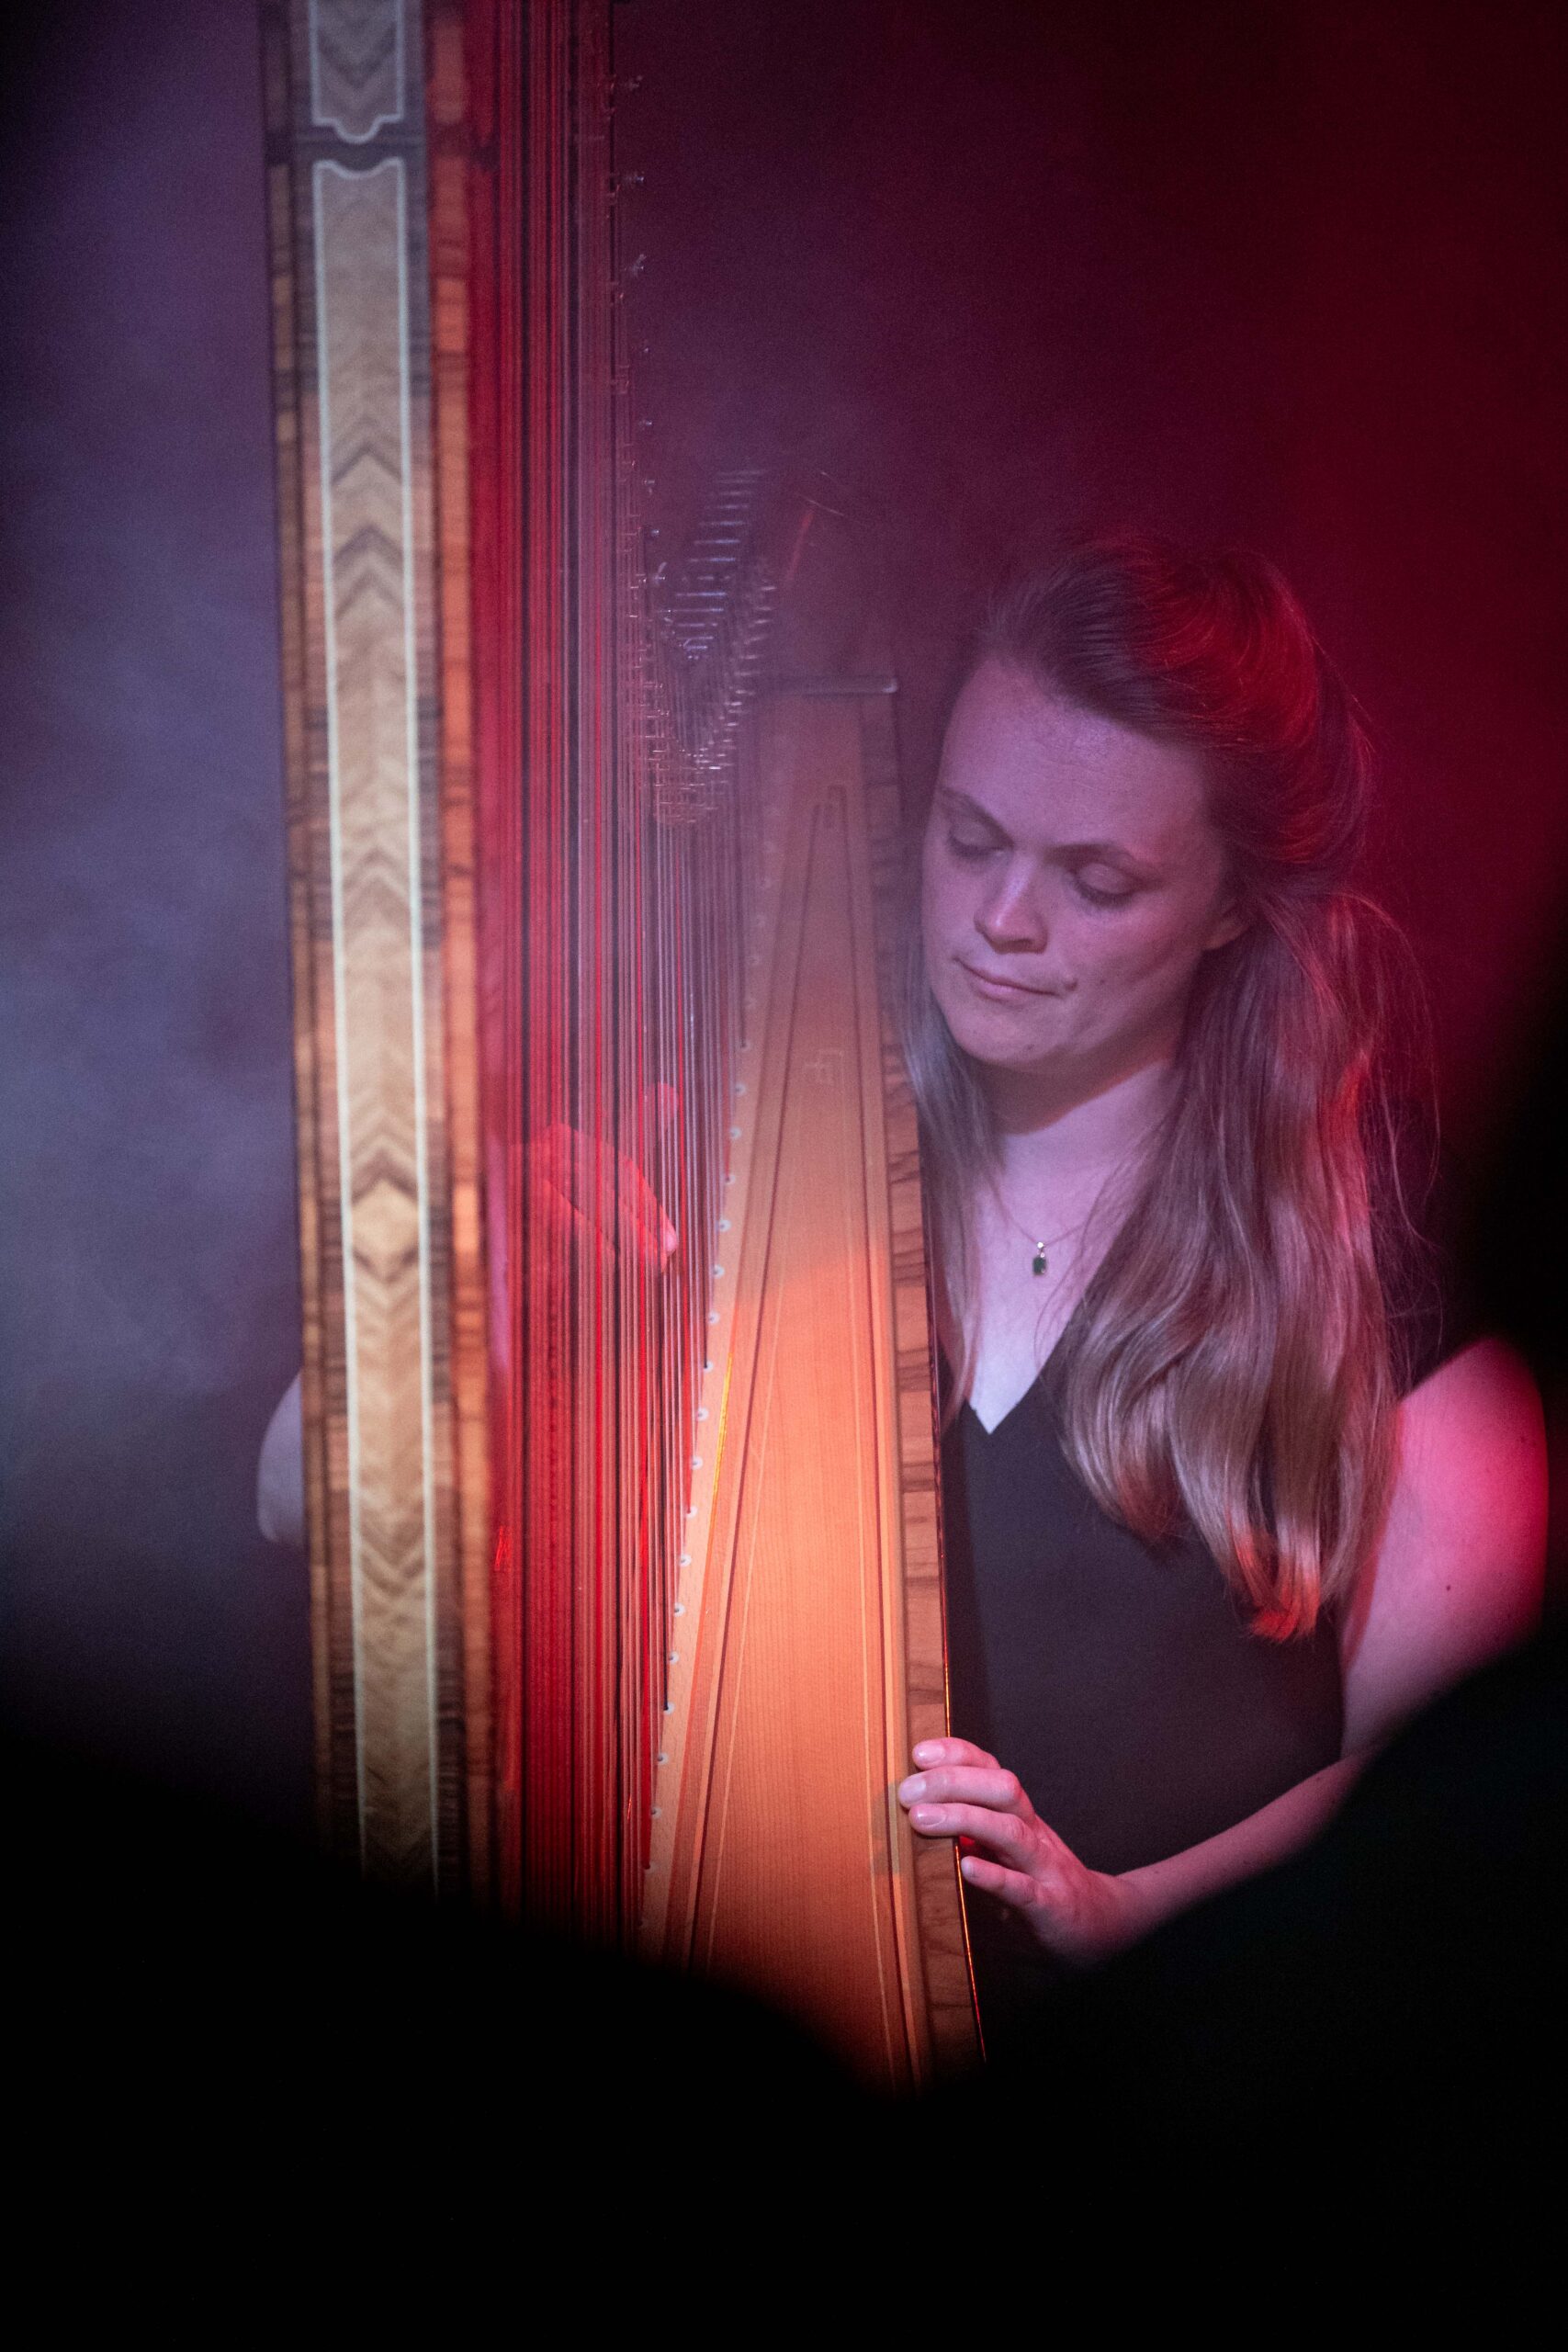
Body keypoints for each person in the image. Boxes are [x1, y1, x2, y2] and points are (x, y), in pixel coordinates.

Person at [892, 537, 1546, 2047]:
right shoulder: (781, 1163)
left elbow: (1442, 1787)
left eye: (1096, 880)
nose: (1003, 919)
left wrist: (1124, 1916)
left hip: (1207, 2081)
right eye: (970, 836)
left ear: (1232, 906)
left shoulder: (1387, 1238)